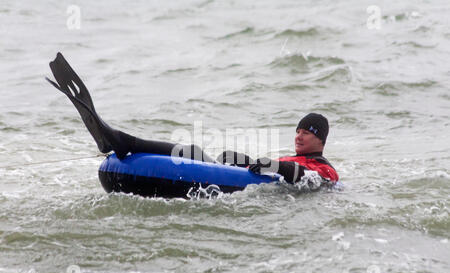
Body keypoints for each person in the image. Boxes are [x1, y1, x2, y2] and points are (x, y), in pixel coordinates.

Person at [46, 53, 338, 185]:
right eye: (297, 130)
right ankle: (121, 141)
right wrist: (246, 160)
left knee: (195, 153)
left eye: (306, 132)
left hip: (258, 192)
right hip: (249, 179)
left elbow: (309, 180)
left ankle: (121, 140)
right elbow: (279, 169)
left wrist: (273, 165)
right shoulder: (293, 156)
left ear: (320, 140)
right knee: (192, 152)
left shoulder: (327, 171)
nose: (299, 135)